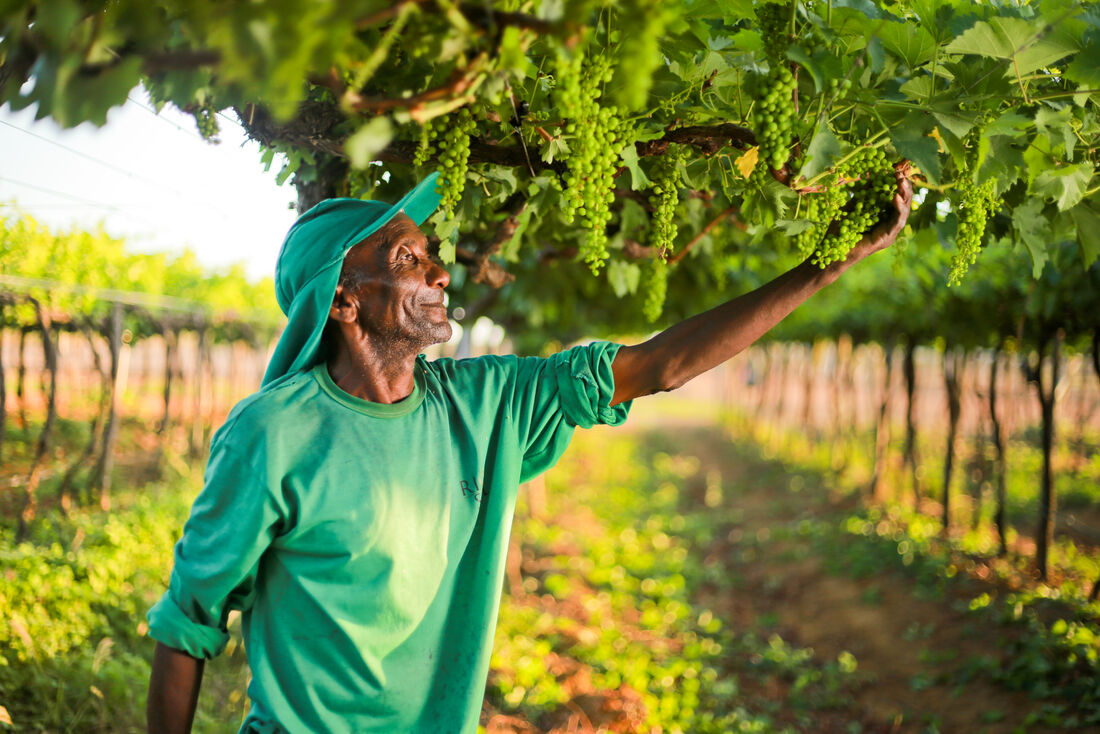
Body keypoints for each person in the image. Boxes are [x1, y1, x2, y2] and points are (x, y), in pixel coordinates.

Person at [146, 169, 912, 733]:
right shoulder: (272, 434)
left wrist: (829, 264)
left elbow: (658, 366)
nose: (442, 272)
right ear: (343, 301)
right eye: (408, 260)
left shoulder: (484, 404)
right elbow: (188, 626)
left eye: (429, 253)